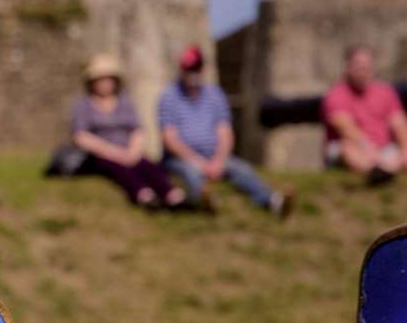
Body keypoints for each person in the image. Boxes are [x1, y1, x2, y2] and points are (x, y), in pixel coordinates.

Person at [158, 45, 293, 218]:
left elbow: (225, 132)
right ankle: (202, 201)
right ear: (181, 69)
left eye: (195, 68)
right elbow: (170, 139)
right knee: (191, 173)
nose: (192, 73)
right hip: (181, 158)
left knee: (242, 169)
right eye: (188, 69)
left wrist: (218, 161)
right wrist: (199, 162)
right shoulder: (169, 96)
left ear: (203, 68)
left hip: (214, 156)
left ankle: (272, 201)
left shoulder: (215, 94)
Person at [71, 54, 185, 210]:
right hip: (101, 155)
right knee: (119, 168)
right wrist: (112, 152)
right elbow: (81, 136)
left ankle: (172, 195)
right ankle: (144, 196)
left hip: (129, 150)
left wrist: (133, 151)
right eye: (100, 79)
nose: (105, 83)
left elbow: (137, 129)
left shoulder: (124, 102)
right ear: (92, 82)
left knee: (147, 165)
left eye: (108, 78)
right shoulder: (84, 105)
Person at [322, 44, 406, 184]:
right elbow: (346, 128)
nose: (362, 71)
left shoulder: (385, 92)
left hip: (383, 149)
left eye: (366, 66)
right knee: (347, 149)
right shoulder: (336, 94)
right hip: (352, 148)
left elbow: (399, 123)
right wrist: (370, 150)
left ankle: (384, 171)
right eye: (358, 66)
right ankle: (377, 171)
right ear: (348, 67)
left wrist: (404, 147)